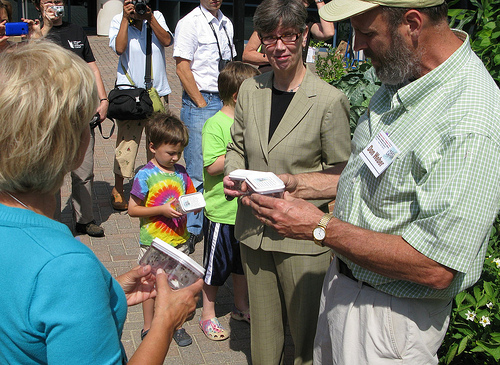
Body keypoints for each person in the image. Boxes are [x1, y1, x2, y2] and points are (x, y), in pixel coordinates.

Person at [228, 0, 500, 364]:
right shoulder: (402, 79)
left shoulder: (470, 117)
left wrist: (320, 227)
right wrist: (297, 183)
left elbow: (437, 265)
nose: (355, 45)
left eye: (366, 32)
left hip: (390, 318)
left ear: (412, 24)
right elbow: (360, 173)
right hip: (346, 286)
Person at [0, 40, 202, 364]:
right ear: (72, 145)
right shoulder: (67, 266)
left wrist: (110, 292)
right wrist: (165, 322)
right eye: (88, 123)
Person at [223, 0, 351, 363]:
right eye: (269, 37)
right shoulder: (251, 90)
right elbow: (236, 145)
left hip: (302, 240)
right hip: (253, 231)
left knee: (307, 337)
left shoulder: (329, 100)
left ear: (304, 35)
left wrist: (298, 186)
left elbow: (341, 174)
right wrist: (234, 175)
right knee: (263, 337)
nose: (279, 47)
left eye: (288, 36)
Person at [32, 0, 107, 237]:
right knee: (52, 172)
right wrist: (44, 29)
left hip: (80, 112)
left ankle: (85, 220)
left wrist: (103, 100)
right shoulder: (36, 33)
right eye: (48, 2)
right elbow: (32, 63)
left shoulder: (76, 30)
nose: (54, 6)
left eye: (58, 1)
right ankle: (52, 222)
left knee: (84, 171)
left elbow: (92, 66)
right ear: (38, 6)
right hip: (50, 115)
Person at [199, 61, 259, 341]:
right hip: (221, 213)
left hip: (244, 213)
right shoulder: (215, 124)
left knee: (240, 265)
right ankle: (207, 314)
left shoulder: (249, 123)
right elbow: (211, 166)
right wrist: (241, 151)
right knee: (215, 267)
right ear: (238, 96)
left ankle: (240, 306)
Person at [127, 113, 198, 347]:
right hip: (153, 243)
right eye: (170, 153)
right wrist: (161, 210)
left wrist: (194, 206)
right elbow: (132, 209)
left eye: (179, 152)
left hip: (179, 240)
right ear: (152, 147)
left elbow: (188, 196)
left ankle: (175, 324)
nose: (175, 157)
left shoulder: (181, 172)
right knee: (149, 284)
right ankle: (148, 327)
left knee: (176, 284)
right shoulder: (145, 175)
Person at [173, 0, 236, 253]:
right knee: (199, 172)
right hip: (201, 100)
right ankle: (193, 230)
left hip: (224, 99)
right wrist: (200, 103)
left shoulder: (227, 23)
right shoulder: (189, 23)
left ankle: (214, 221)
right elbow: (181, 67)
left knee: (222, 163)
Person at [109, 0, 173, 211]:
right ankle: (119, 188)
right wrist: (126, 20)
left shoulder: (156, 17)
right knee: (127, 143)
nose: (137, 5)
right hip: (130, 94)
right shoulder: (119, 20)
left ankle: (153, 187)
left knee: (157, 143)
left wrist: (150, 18)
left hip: (156, 92)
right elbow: (119, 48)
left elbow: (166, 41)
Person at [242, 0, 335, 72]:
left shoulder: (307, 22)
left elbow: (328, 32)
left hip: (295, 81)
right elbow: (247, 55)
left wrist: (319, 1)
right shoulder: (271, 20)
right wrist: (276, 58)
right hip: (268, 76)